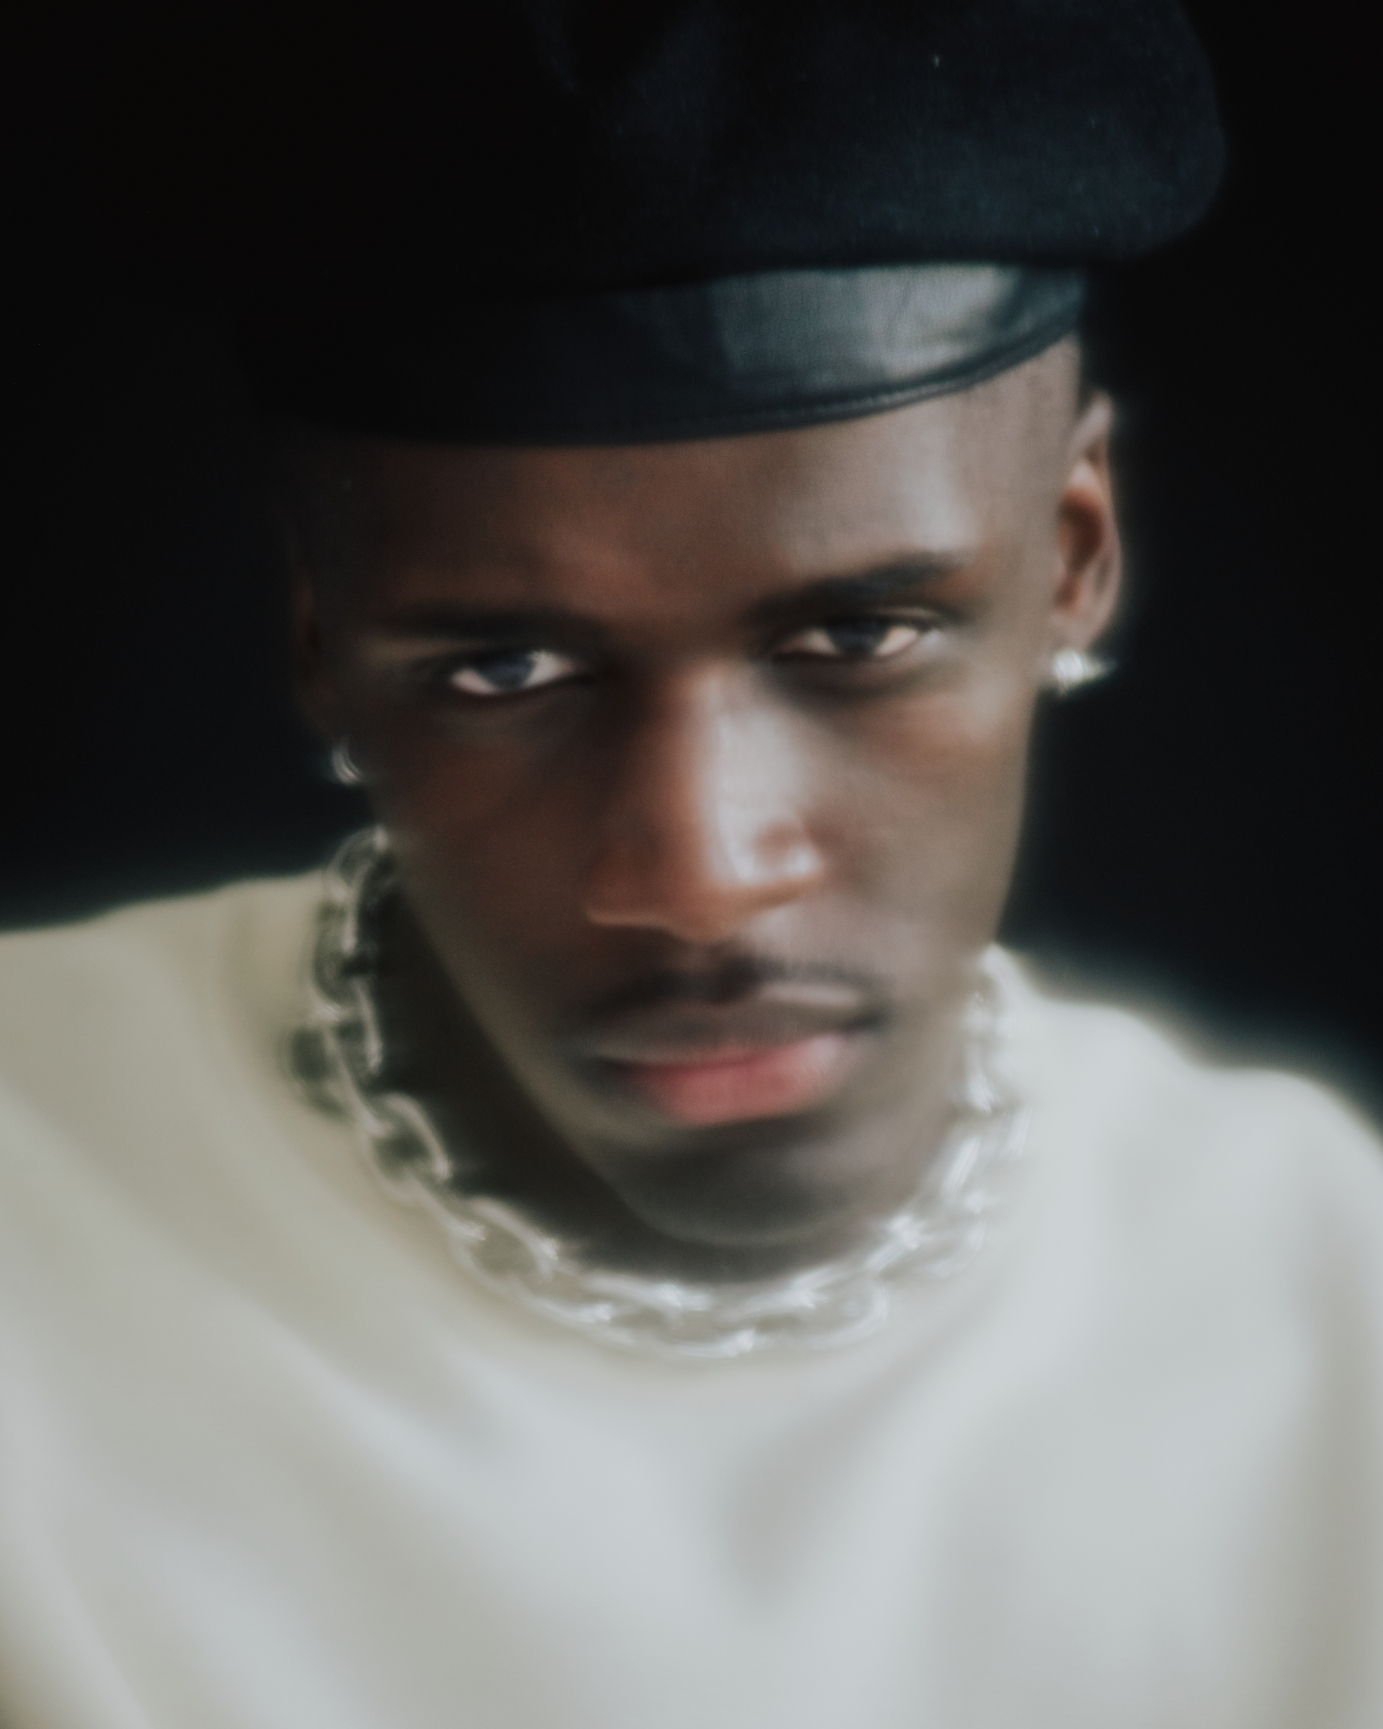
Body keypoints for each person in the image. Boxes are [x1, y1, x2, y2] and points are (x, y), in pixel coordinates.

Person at [1, 4, 1380, 1726]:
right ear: (320, 646)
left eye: (860, 636)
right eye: (506, 669)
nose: (702, 875)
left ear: (1070, 557)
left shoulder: (1330, 1300)